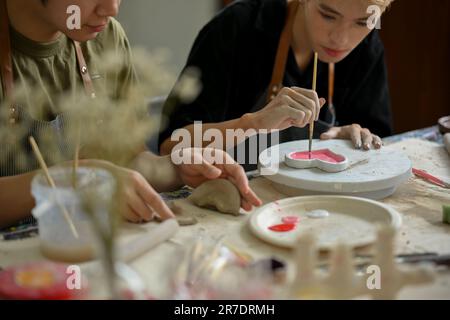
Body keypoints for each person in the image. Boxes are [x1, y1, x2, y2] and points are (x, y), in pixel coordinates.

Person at [0, 0, 261, 228]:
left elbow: (130, 161)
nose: (111, 9)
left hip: (85, 244)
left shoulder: (104, 38)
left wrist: (176, 168)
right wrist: (74, 180)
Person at [160, 0, 395, 168]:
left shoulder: (366, 48)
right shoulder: (237, 28)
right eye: (327, 15)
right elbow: (172, 145)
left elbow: (380, 150)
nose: (341, 39)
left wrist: (350, 138)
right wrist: (251, 124)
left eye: (363, 21)